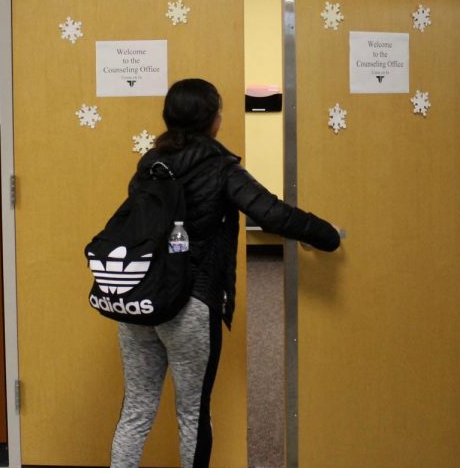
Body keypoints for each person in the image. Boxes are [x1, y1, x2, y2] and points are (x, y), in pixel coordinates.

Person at [111, 78, 340, 468]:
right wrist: (326, 234)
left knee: (136, 407)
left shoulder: (149, 165)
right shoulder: (219, 167)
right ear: (212, 120)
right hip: (190, 304)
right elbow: (269, 211)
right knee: (192, 413)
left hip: (138, 298)